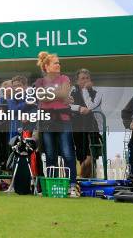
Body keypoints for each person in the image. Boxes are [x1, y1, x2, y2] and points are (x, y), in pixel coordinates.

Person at [34, 51, 78, 197]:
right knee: (50, 153)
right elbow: (40, 96)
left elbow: (64, 94)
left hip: (63, 120)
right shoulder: (40, 82)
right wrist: (57, 94)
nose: (59, 65)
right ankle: (53, 186)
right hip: (46, 120)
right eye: (55, 63)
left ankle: (72, 186)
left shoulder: (64, 78)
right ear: (46, 66)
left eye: (59, 63)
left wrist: (50, 94)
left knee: (67, 153)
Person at [70, 69, 103, 178]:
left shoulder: (97, 93)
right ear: (77, 81)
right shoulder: (71, 92)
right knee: (81, 153)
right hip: (76, 126)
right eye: (82, 78)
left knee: (92, 154)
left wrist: (85, 90)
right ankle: (84, 178)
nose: (85, 80)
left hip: (92, 126)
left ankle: (86, 175)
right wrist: (78, 108)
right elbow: (67, 105)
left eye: (87, 78)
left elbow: (90, 106)